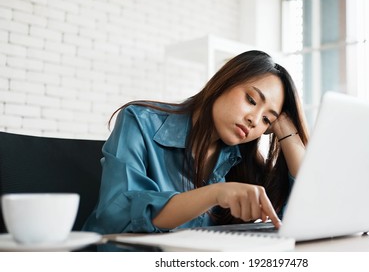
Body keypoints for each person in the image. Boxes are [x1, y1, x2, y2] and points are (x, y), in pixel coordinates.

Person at [83, 50, 309, 235]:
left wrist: (287, 131)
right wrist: (215, 193)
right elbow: (117, 215)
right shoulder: (140, 121)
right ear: (225, 81)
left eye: (267, 119)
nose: (254, 120)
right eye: (251, 100)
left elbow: (304, 211)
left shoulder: (241, 161)